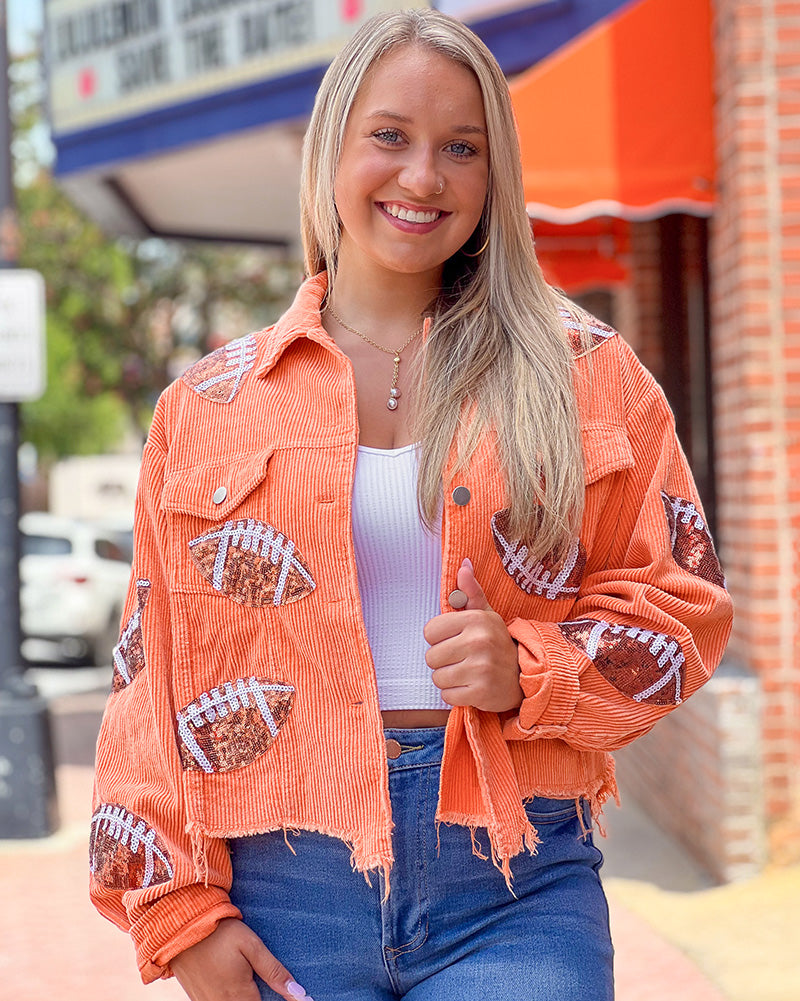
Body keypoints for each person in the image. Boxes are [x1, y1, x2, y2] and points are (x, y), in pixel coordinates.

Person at [89, 9, 733, 1001]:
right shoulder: (206, 406)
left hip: (515, 878)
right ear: (332, 150)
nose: (422, 177)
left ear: (493, 174)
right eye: (389, 136)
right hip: (281, 880)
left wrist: (527, 670)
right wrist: (175, 910)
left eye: (460, 148)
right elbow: (151, 671)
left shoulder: (587, 377)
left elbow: (684, 604)